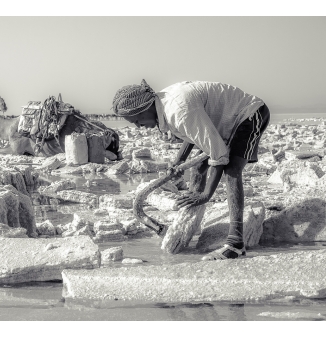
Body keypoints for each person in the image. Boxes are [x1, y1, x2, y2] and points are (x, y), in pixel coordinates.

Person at [112, 79, 270, 260]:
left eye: (138, 121)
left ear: (145, 108)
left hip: (248, 114)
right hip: (222, 122)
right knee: (198, 168)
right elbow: (192, 131)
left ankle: (235, 244)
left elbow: (218, 155)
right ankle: (192, 222)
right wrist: (179, 160)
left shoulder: (178, 111)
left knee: (231, 170)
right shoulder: (165, 105)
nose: (139, 127)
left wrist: (206, 195)